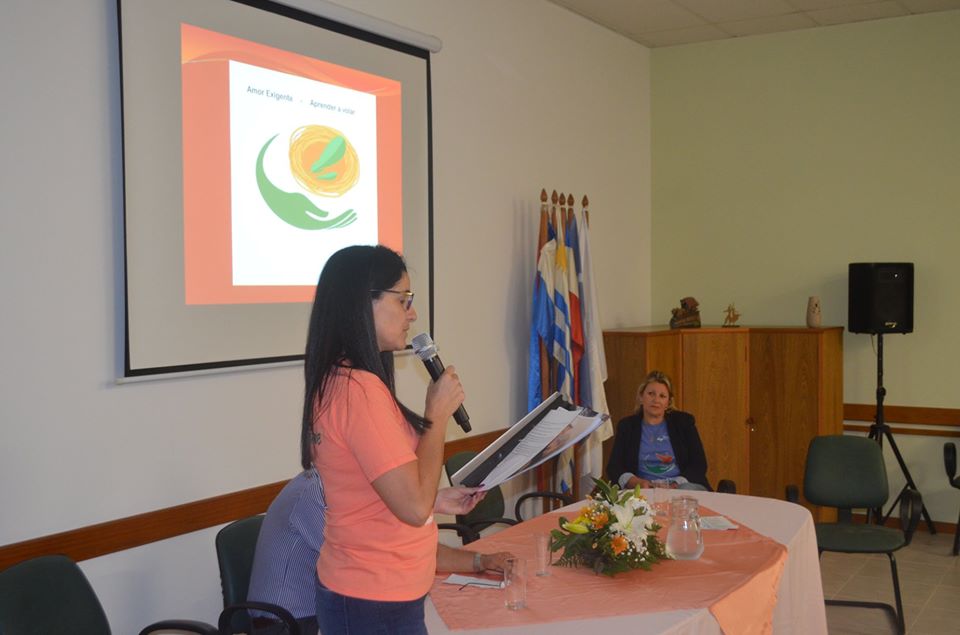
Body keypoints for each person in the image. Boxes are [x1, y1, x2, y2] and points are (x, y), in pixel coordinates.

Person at [301, 244, 469, 635]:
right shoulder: (358, 391)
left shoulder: (344, 380)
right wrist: (437, 416)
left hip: (376, 592)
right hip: (371, 597)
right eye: (403, 299)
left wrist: (436, 499)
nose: (412, 314)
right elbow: (411, 508)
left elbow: (377, 486)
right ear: (364, 303)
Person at [247, 469, 512, 635]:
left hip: (326, 612)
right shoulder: (316, 492)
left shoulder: (360, 489)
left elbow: (408, 544)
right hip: (288, 624)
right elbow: (380, 556)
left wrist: (481, 561)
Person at [605, 370, 711, 491]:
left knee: (685, 490)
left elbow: (699, 464)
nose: (656, 400)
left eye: (662, 396)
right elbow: (614, 467)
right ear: (641, 397)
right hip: (643, 491)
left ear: (668, 403)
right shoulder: (627, 426)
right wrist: (635, 482)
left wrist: (674, 485)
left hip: (682, 488)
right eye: (651, 394)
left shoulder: (684, 423)